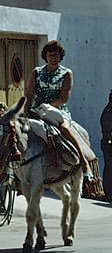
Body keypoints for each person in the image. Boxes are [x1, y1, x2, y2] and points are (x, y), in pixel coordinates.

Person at [23, 40, 93, 181]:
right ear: (45, 56)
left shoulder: (66, 73)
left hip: (58, 111)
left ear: (60, 56)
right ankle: (8, 173)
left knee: (64, 129)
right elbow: (29, 94)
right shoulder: (36, 72)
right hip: (36, 110)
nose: (53, 58)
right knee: (15, 131)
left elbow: (64, 98)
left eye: (56, 55)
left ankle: (84, 162)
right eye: (50, 55)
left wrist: (47, 107)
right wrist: (26, 113)